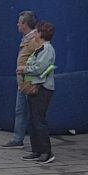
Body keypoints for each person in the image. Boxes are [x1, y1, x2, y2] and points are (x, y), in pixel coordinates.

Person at [3, 11, 44, 147]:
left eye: (19, 22)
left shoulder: (33, 40)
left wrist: (25, 69)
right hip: (23, 81)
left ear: (25, 24)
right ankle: (18, 138)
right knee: (20, 110)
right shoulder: (27, 38)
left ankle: (31, 142)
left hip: (29, 81)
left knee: (29, 112)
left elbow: (39, 59)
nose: (17, 25)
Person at [20, 21, 57, 163]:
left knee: (39, 119)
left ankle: (46, 151)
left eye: (36, 32)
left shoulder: (47, 49)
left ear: (41, 34)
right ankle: (36, 149)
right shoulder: (40, 48)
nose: (34, 34)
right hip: (35, 86)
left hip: (42, 87)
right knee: (33, 120)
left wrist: (25, 69)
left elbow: (40, 67)